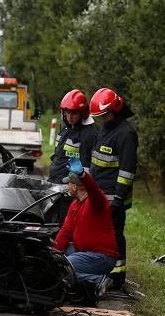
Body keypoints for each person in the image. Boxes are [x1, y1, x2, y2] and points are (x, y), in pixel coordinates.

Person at [89, 88, 138, 289]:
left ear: (116, 110)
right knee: (100, 234)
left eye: (105, 115)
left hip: (115, 196)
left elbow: (127, 170)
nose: (103, 119)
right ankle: (104, 268)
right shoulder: (105, 128)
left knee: (115, 234)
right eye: (100, 116)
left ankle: (118, 275)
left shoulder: (126, 133)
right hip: (99, 193)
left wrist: (118, 198)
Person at [53, 157, 119, 298]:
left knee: (64, 267)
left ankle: (99, 281)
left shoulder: (96, 202)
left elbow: (94, 190)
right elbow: (65, 232)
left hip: (102, 256)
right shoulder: (74, 205)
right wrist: (52, 253)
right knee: (55, 263)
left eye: (69, 184)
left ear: (75, 187)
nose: (67, 187)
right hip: (84, 252)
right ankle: (89, 275)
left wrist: (83, 174)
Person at [48, 89, 97, 224]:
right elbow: (58, 155)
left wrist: (76, 187)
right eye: (67, 112)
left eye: (74, 113)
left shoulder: (88, 134)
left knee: (64, 224)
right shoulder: (65, 128)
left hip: (70, 190)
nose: (70, 117)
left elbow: (86, 166)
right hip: (54, 183)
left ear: (82, 113)